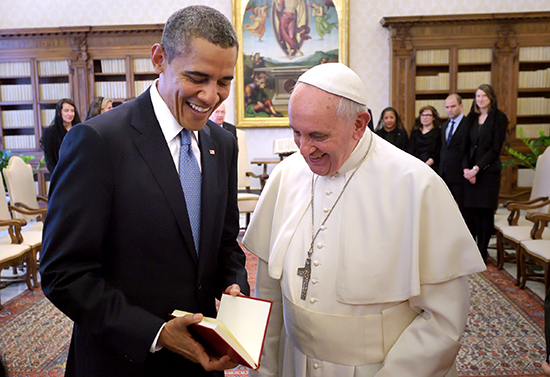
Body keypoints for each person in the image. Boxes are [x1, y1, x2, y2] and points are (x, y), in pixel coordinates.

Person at [39, 5, 249, 376]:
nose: (212, 96)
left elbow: (225, 243)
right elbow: (64, 273)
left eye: (224, 82)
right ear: (159, 59)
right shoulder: (99, 141)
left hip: (200, 363)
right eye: (197, 77)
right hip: (120, 362)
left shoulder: (222, 143)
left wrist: (234, 286)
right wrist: (156, 333)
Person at [243, 62, 485, 377]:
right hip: (295, 363)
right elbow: (267, 290)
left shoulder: (415, 184)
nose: (303, 149)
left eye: (317, 135)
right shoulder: (286, 176)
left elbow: (443, 320)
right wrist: (263, 371)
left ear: (359, 123)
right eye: (296, 133)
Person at [462, 83, 509, 263]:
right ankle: (472, 249)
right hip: (470, 174)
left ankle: (482, 252)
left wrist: (476, 169)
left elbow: (495, 149)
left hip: (488, 173)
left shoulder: (499, 117)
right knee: (471, 213)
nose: (480, 99)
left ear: (491, 98)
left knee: (485, 213)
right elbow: (464, 145)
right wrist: (466, 168)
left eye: (484, 96)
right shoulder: (472, 117)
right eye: (478, 96)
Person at [439, 94, 472, 223]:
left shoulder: (468, 124)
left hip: (461, 174)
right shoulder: (445, 125)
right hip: (445, 174)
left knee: (464, 211)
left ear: (461, 106)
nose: (449, 110)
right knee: (445, 210)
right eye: (447, 107)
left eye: (453, 106)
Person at [40, 98, 81, 174]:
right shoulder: (51, 132)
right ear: (59, 112)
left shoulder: (79, 130)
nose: (70, 114)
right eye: (66, 111)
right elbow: (50, 160)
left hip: (79, 172)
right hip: (60, 174)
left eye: (72, 111)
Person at [407, 105, 442, 171]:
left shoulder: (439, 132)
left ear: (433, 117)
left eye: (428, 115)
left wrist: (426, 165)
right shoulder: (415, 133)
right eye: (422, 115)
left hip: (432, 168)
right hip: (416, 167)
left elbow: (437, 152)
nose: (424, 117)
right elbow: (410, 150)